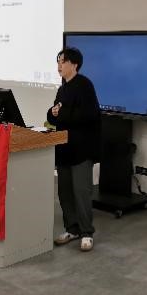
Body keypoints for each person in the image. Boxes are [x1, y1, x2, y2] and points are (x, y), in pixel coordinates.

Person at [47, 47, 101, 252]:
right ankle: (72, 229)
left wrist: (61, 114)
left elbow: (88, 115)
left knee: (81, 192)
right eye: (58, 61)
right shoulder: (63, 88)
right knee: (65, 192)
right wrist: (52, 113)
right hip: (64, 149)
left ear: (74, 64)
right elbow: (54, 115)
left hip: (81, 149)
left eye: (63, 61)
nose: (59, 65)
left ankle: (87, 233)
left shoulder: (84, 85)